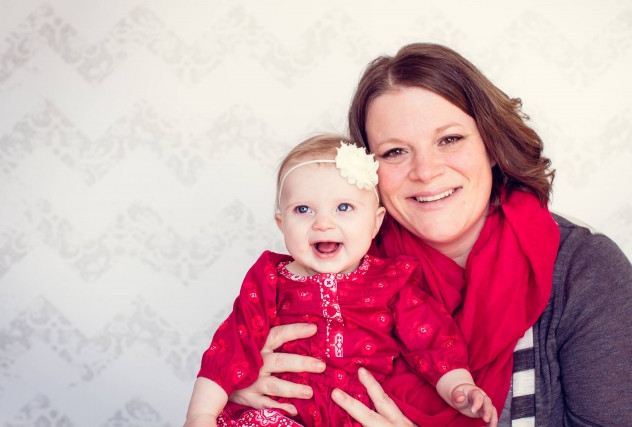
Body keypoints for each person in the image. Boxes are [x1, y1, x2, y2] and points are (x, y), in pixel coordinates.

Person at [224, 43, 632, 426]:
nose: (425, 171)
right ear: (365, 172)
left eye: (449, 139)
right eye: (395, 152)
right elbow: (233, 367)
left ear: (491, 144)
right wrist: (239, 383)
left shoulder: (583, 269)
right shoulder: (329, 266)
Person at [184, 135, 498, 427]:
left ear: (375, 223)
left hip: (357, 416)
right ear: (281, 223)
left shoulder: (391, 282)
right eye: (303, 209)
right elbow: (230, 346)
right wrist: (200, 415)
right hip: (281, 414)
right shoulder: (270, 278)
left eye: (343, 207)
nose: (323, 223)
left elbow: (431, 340)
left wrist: (459, 386)